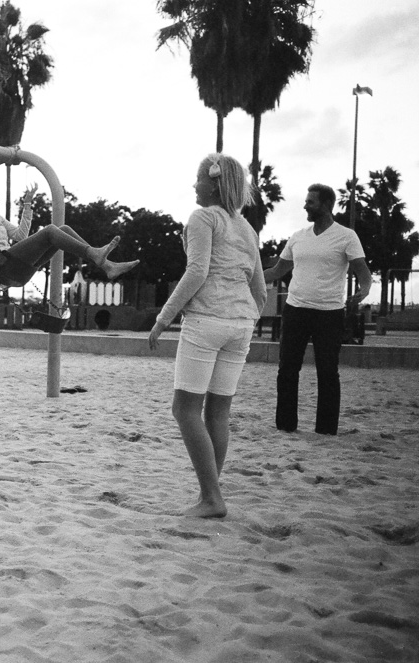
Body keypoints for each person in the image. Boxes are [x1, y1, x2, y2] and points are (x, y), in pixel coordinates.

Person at [148, 154, 267, 518]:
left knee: (184, 409)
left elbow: (197, 271)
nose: (194, 185)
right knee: (219, 412)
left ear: (213, 184)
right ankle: (211, 493)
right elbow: (259, 289)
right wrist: (245, 319)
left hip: (206, 321)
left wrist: (163, 318)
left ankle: (211, 498)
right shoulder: (247, 228)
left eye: (198, 179)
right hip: (241, 324)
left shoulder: (202, 218)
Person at [262, 183, 371, 435]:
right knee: (287, 369)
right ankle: (286, 426)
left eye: (310, 202)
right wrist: (249, 277)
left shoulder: (346, 236)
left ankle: (325, 429)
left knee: (328, 371)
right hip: (295, 310)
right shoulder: (298, 236)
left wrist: (364, 290)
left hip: (329, 313)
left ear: (325, 205)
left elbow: (363, 272)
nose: (305, 206)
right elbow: (278, 270)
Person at [0, 176, 138, 289]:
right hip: (3, 270)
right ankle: (95, 254)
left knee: (63, 230)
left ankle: (107, 266)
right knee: (51, 232)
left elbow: (21, 237)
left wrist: (27, 204)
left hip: (21, 269)